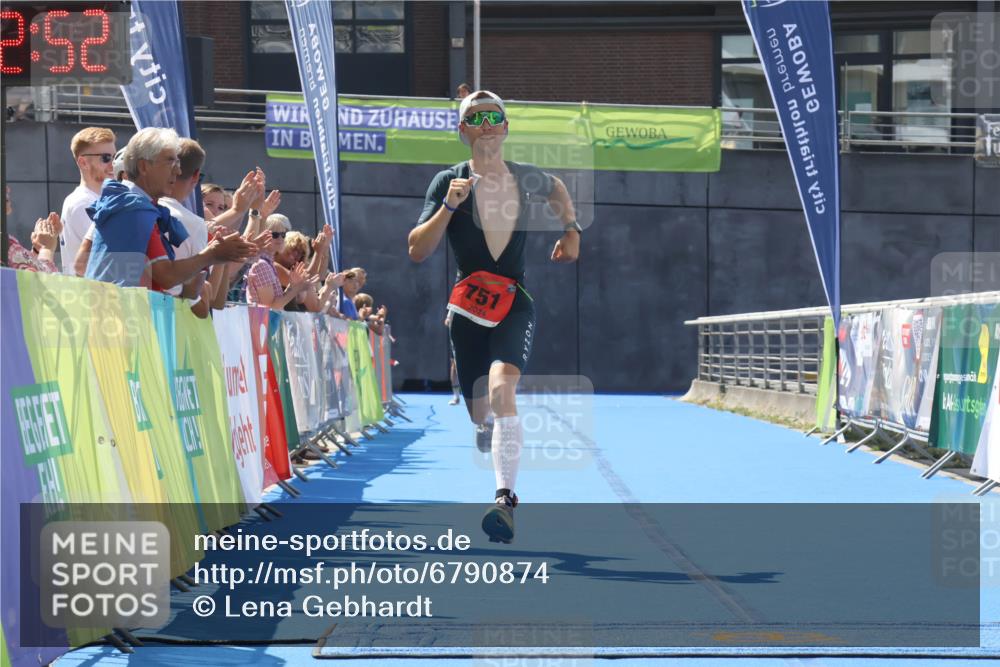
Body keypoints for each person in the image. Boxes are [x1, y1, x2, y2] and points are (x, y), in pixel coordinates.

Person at [408, 90, 581, 543]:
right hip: (468, 307)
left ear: (506, 127)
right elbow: (417, 250)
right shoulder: (448, 181)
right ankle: (486, 423)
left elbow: (558, 187)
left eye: (494, 116)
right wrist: (448, 206)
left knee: (504, 389)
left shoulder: (526, 178)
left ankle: (504, 498)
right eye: (476, 117)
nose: (486, 123)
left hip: (514, 300)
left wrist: (571, 229)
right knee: (478, 410)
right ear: (462, 130)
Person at [84, 127, 254, 291]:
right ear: (144, 167)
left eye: (178, 162)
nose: (178, 170)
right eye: (170, 161)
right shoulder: (133, 207)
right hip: (119, 315)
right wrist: (211, 255)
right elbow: (167, 276)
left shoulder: (129, 202)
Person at [60, 127, 116, 274]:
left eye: (115, 157)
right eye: (105, 158)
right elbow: (108, 259)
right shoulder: (82, 203)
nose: (113, 164)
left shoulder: (89, 199)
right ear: (83, 162)